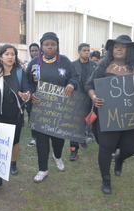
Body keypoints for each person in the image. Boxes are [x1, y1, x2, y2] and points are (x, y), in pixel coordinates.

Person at [85, 35, 134, 194]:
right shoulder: (102, 68)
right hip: (109, 116)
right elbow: (89, 85)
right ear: (111, 50)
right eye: (116, 46)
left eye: (123, 46)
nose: (119, 49)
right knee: (106, 148)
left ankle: (120, 159)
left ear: (130, 50)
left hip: (131, 117)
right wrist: (94, 97)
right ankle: (106, 178)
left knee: (130, 148)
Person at [27, 32, 79, 182]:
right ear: (41, 46)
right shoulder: (33, 64)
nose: (50, 47)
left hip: (60, 109)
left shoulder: (65, 62)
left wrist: (71, 84)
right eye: (46, 44)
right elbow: (28, 83)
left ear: (57, 46)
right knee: (42, 140)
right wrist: (31, 94)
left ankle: (57, 156)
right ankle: (43, 169)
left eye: (53, 44)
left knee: (58, 138)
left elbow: (75, 77)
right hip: (40, 108)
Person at [0, 44, 30, 187]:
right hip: (0, 116)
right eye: (7, 54)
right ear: (0, 57)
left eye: (13, 54)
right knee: (0, 145)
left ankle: (13, 163)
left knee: (15, 142)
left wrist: (25, 96)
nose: (10, 57)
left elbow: (26, 91)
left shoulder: (20, 72)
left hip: (16, 114)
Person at [69, 43, 97, 161]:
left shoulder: (95, 65)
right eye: (84, 50)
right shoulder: (72, 65)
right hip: (77, 98)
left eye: (88, 50)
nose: (87, 52)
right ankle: (74, 150)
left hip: (92, 98)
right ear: (79, 52)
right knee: (75, 124)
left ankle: (83, 138)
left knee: (90, 122)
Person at [26, 43, 40, 147]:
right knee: (33, 117)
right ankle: (35, 138)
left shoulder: (44, 63)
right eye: (32, 51)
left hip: (44, 95)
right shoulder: (29, 64)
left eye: (36, 50)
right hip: (33, 95)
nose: (34, 53)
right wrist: (30, 94)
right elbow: (26, 81)